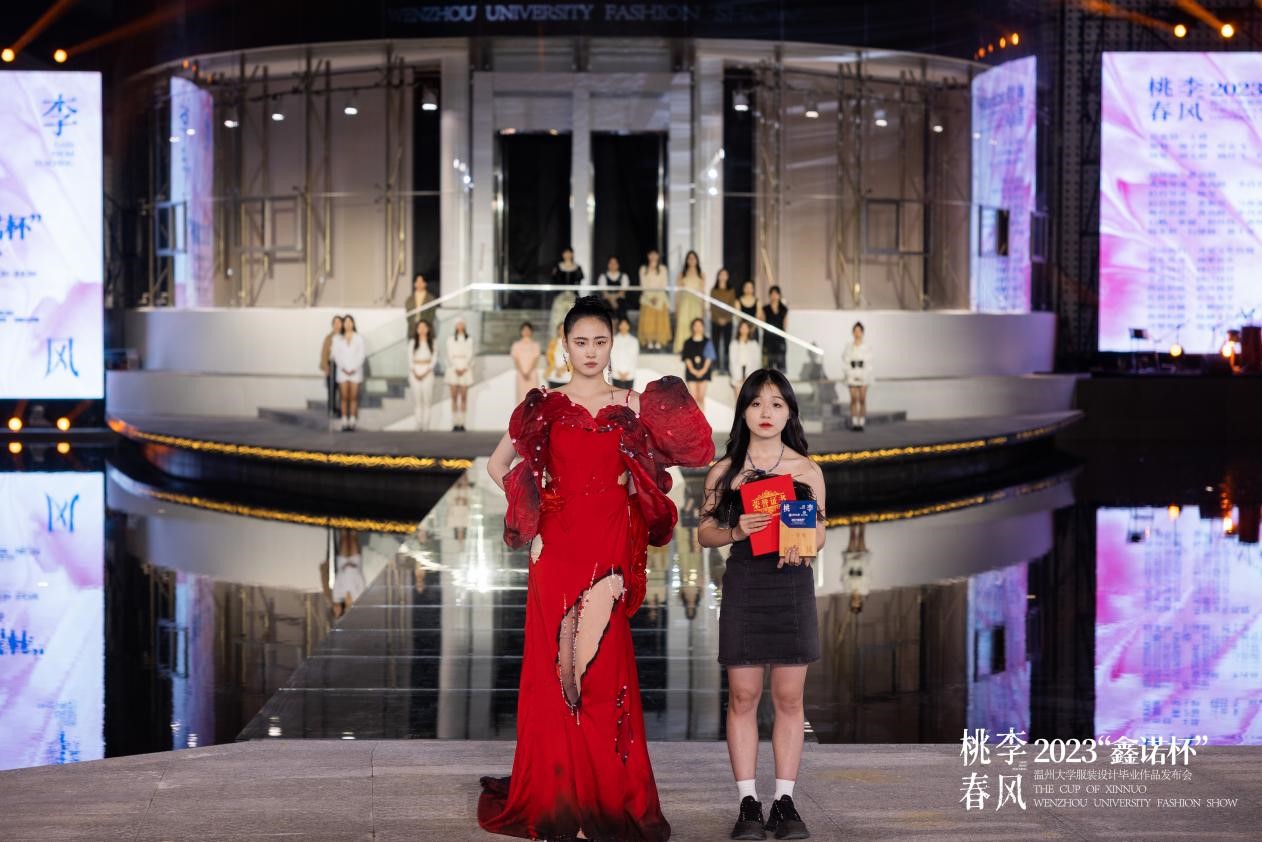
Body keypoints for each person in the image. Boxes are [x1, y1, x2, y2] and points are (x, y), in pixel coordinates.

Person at [481, 294, 715, 842]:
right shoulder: (543, 404)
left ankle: (604, 796)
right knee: (557, 670)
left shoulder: (632, 404)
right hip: (556, 552)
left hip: (607, 547)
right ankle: (561, 796)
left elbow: (694, 450)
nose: (590, 351)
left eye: (600, 342)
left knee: (604, 669)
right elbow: (497, 465)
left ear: (613, 344)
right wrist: (533, 511)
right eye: (581, 342)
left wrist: (652, 434)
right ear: (564, 346)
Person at [698, 369, 826, 842]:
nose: (766, 412)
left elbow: (821, 531)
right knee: (743, 696)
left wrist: (805, 544)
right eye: (756, 403)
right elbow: (704, 533)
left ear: (789, 412)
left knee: (790, 698)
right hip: (747, 584)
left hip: (792, 585)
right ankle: (748, 802)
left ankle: (784, 801)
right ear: (743, 412)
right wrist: (737, 530)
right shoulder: (724, 471)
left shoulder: (807, 470)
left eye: (776, 403)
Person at [331, 314, 366, 431]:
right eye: (345, 322)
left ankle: (352, 421)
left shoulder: (359, 338)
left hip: (356, 371)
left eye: (350, 321)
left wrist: (354, 368)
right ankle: (344, 421)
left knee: (353, 397)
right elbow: (336, 355)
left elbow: (361, 354)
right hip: (343, 372)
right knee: (344, 397)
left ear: (353, 323)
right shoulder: (337, 339)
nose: (348, 324)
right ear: (343, 324)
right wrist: (344, 368)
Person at [841, 320, 874, 431]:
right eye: (855, 331)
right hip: (851, 375)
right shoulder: (849, 346)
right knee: (854, 399)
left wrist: (863, 374)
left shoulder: (867, 347)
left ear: (862, 332)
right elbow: (845, 360)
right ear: (853, 332)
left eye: (859, 331)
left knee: (862, 399)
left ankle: (862, 422)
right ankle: (855, 423)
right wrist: (850, 373)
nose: (857, 333)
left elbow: (869, 362)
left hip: (863, 375)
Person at [638, 248, 671, 351]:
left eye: (655, 254)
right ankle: (649, 341)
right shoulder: (643, 269)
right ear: (648, 256)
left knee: (659, 322)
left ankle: (658, 342)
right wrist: (651, 298)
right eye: (651, 254)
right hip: (647, 299)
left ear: (658, 256)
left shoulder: (663, 269)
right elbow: (643, 285)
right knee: (648, 322)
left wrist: (656, 297)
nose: (653, 257)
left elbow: (664, 284)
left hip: (660, 298)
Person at [673, 250, 706, 353]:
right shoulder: (681, 274)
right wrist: (677, 307)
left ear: (697, 260)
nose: (692, 260)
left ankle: (696, 349)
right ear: (687, 260)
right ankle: (682, 348)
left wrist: (703, 308)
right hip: (685, 303)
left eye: (694, 258)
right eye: (689, 258)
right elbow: (678, 292)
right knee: (683, 324)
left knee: (696, 325)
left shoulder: (701, 274)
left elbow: (703, 293)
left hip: (696, 303)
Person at [445, 318, 475, 431]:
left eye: (462, 324)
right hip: (453, 369)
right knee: (454, 397)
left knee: (463, 397)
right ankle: (455, 422)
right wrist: (455, 367)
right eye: (458, 324)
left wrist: (464, 367)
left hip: (465, 368)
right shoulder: (450, 339)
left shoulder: (469, 339)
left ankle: (462, 423)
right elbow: (449, 354)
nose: (460, 326)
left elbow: (470, 354)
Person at [409, 319, 437, 431]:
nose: (421, 329)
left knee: (427, 400)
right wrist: (415, 371)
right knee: (417, 400)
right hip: (415, 372)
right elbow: (409, 359)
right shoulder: (412, 343)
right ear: (416, 329)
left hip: (428, 372)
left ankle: (426, 424)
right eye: (419, 327)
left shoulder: (433, 342)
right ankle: (418, 423)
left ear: (428, 329)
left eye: (424, 327)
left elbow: (434, 359)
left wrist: (426, 371)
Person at [681, 317, 714, 407]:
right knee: (693, 398)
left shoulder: (708, 342)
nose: (698, 328)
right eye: (696, 325)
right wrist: (693, 370)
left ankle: (701, 416)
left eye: (700, 325)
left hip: (704, 372)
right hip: (691, 372)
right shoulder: (687, 342)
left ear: (703, 327)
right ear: (692, 327)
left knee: (701, 398)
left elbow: (709, 357)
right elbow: (687, 358)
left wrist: (703, 370)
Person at [710, 268, 737, 375]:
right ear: (718, 276)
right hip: (715, 321)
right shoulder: (713, 290)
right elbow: (712, 306)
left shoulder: (731, 290)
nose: (723, 276)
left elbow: (732, 306)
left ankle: (726, 367)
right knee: (715, 344)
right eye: (721, 274)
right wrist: (719, 319)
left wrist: (725, 319)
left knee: (727, 345)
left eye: (725, 274)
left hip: (728, 321)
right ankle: (715, 367)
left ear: (727, 277)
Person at [548, 247, 584, 328]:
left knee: (574, 319)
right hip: (560, 296)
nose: (567, 255)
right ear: (562, 254)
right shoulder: (558, 267)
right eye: (565, 253)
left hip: (573, 296)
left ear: (572, 254)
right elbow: (554, 281)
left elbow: (579, 282)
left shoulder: (578, 268)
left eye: (569, 253)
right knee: (558, 318)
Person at [319, 315, 343, 423]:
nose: (337, 325)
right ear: (332, 325)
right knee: (331, 389)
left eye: (339, 323)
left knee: (341, 389)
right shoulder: (329, 337)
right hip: (331, 365)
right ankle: (331, 409)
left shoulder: (344, 336)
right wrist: (325, 367)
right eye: (335, 323)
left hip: (342, 365)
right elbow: (324, 353)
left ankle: (341, 410)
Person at [729, 320, 761, 400]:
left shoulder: (754, 344)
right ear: (739, 329)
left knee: (749, 401)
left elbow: (756, 361)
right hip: (737, 374)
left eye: (746, 328)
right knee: (738, 400)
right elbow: (732, 361)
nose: (744, 330)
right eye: (742, 327)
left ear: (749, 329)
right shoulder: (734, 343)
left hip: (750, 373)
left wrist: (753, 376)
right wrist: (735, 375)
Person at [510, 322, 542, 403]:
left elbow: (535, 360)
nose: (526, 332)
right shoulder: (516, 345)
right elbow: (516, 360)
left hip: (532, 374)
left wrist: (529, 372)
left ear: (531, 331)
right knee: (521, 397)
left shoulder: (535, 345)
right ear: (521, 331)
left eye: (528, 330)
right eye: (524, 330)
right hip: (521, 374)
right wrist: (523, 373)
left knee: (533, 397)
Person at [597, 255, 633, 323]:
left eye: (615, 263)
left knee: (622, 318)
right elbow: (604, 292)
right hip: (606, 301)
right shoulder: (603, 276)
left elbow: (622, 291)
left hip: (620, 302)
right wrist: (612, 301)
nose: (613, 265)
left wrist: (614, 300)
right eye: (611, 263)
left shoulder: (624, 276)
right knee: (607, 318)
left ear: (618, 265)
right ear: (608, 264)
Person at [763, 285, 789, 372]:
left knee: (780, 367)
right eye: (772, 294)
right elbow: (762, 322)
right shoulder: (765, 309)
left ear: (779, 295)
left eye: (776, 293)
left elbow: (785, 325)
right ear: (769, 295)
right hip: (768, 339)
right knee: (767, 367)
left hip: (779, 340)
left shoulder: (784, 309)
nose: (774, 296)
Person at [610, 316, 639, 390]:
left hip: (629, 375)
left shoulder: (634, 341)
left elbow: (634, 358)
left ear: (629, 326)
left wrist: (628, 372)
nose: (623, 327)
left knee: (628, 396)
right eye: (622, 324)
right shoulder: (614, 340)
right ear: (619, 326)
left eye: (625, 324)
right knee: (617, 396)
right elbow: (612, 357)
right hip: (616, 375)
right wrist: (618, 372)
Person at [405, 272, 435, 340]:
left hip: (427, 332)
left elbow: (432, 316)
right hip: (413, 331)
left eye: (421, 281)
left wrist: (423, 327)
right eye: (417, 281)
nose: (419, 284)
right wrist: (416, 328)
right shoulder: (409, 299)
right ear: (414, 284)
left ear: (425, 283)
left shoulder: (431, 298)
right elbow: (408, 317)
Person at [544, 322, 571, 389]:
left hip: (567, 375)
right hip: (553, 374)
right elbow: (549, 357)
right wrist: (556, 369)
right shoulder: (552, 343)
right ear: (557, 330)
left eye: (564, 329)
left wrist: (562, 370)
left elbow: (572, 359)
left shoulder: (571, 343)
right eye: (560, 329)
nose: (562, 331)